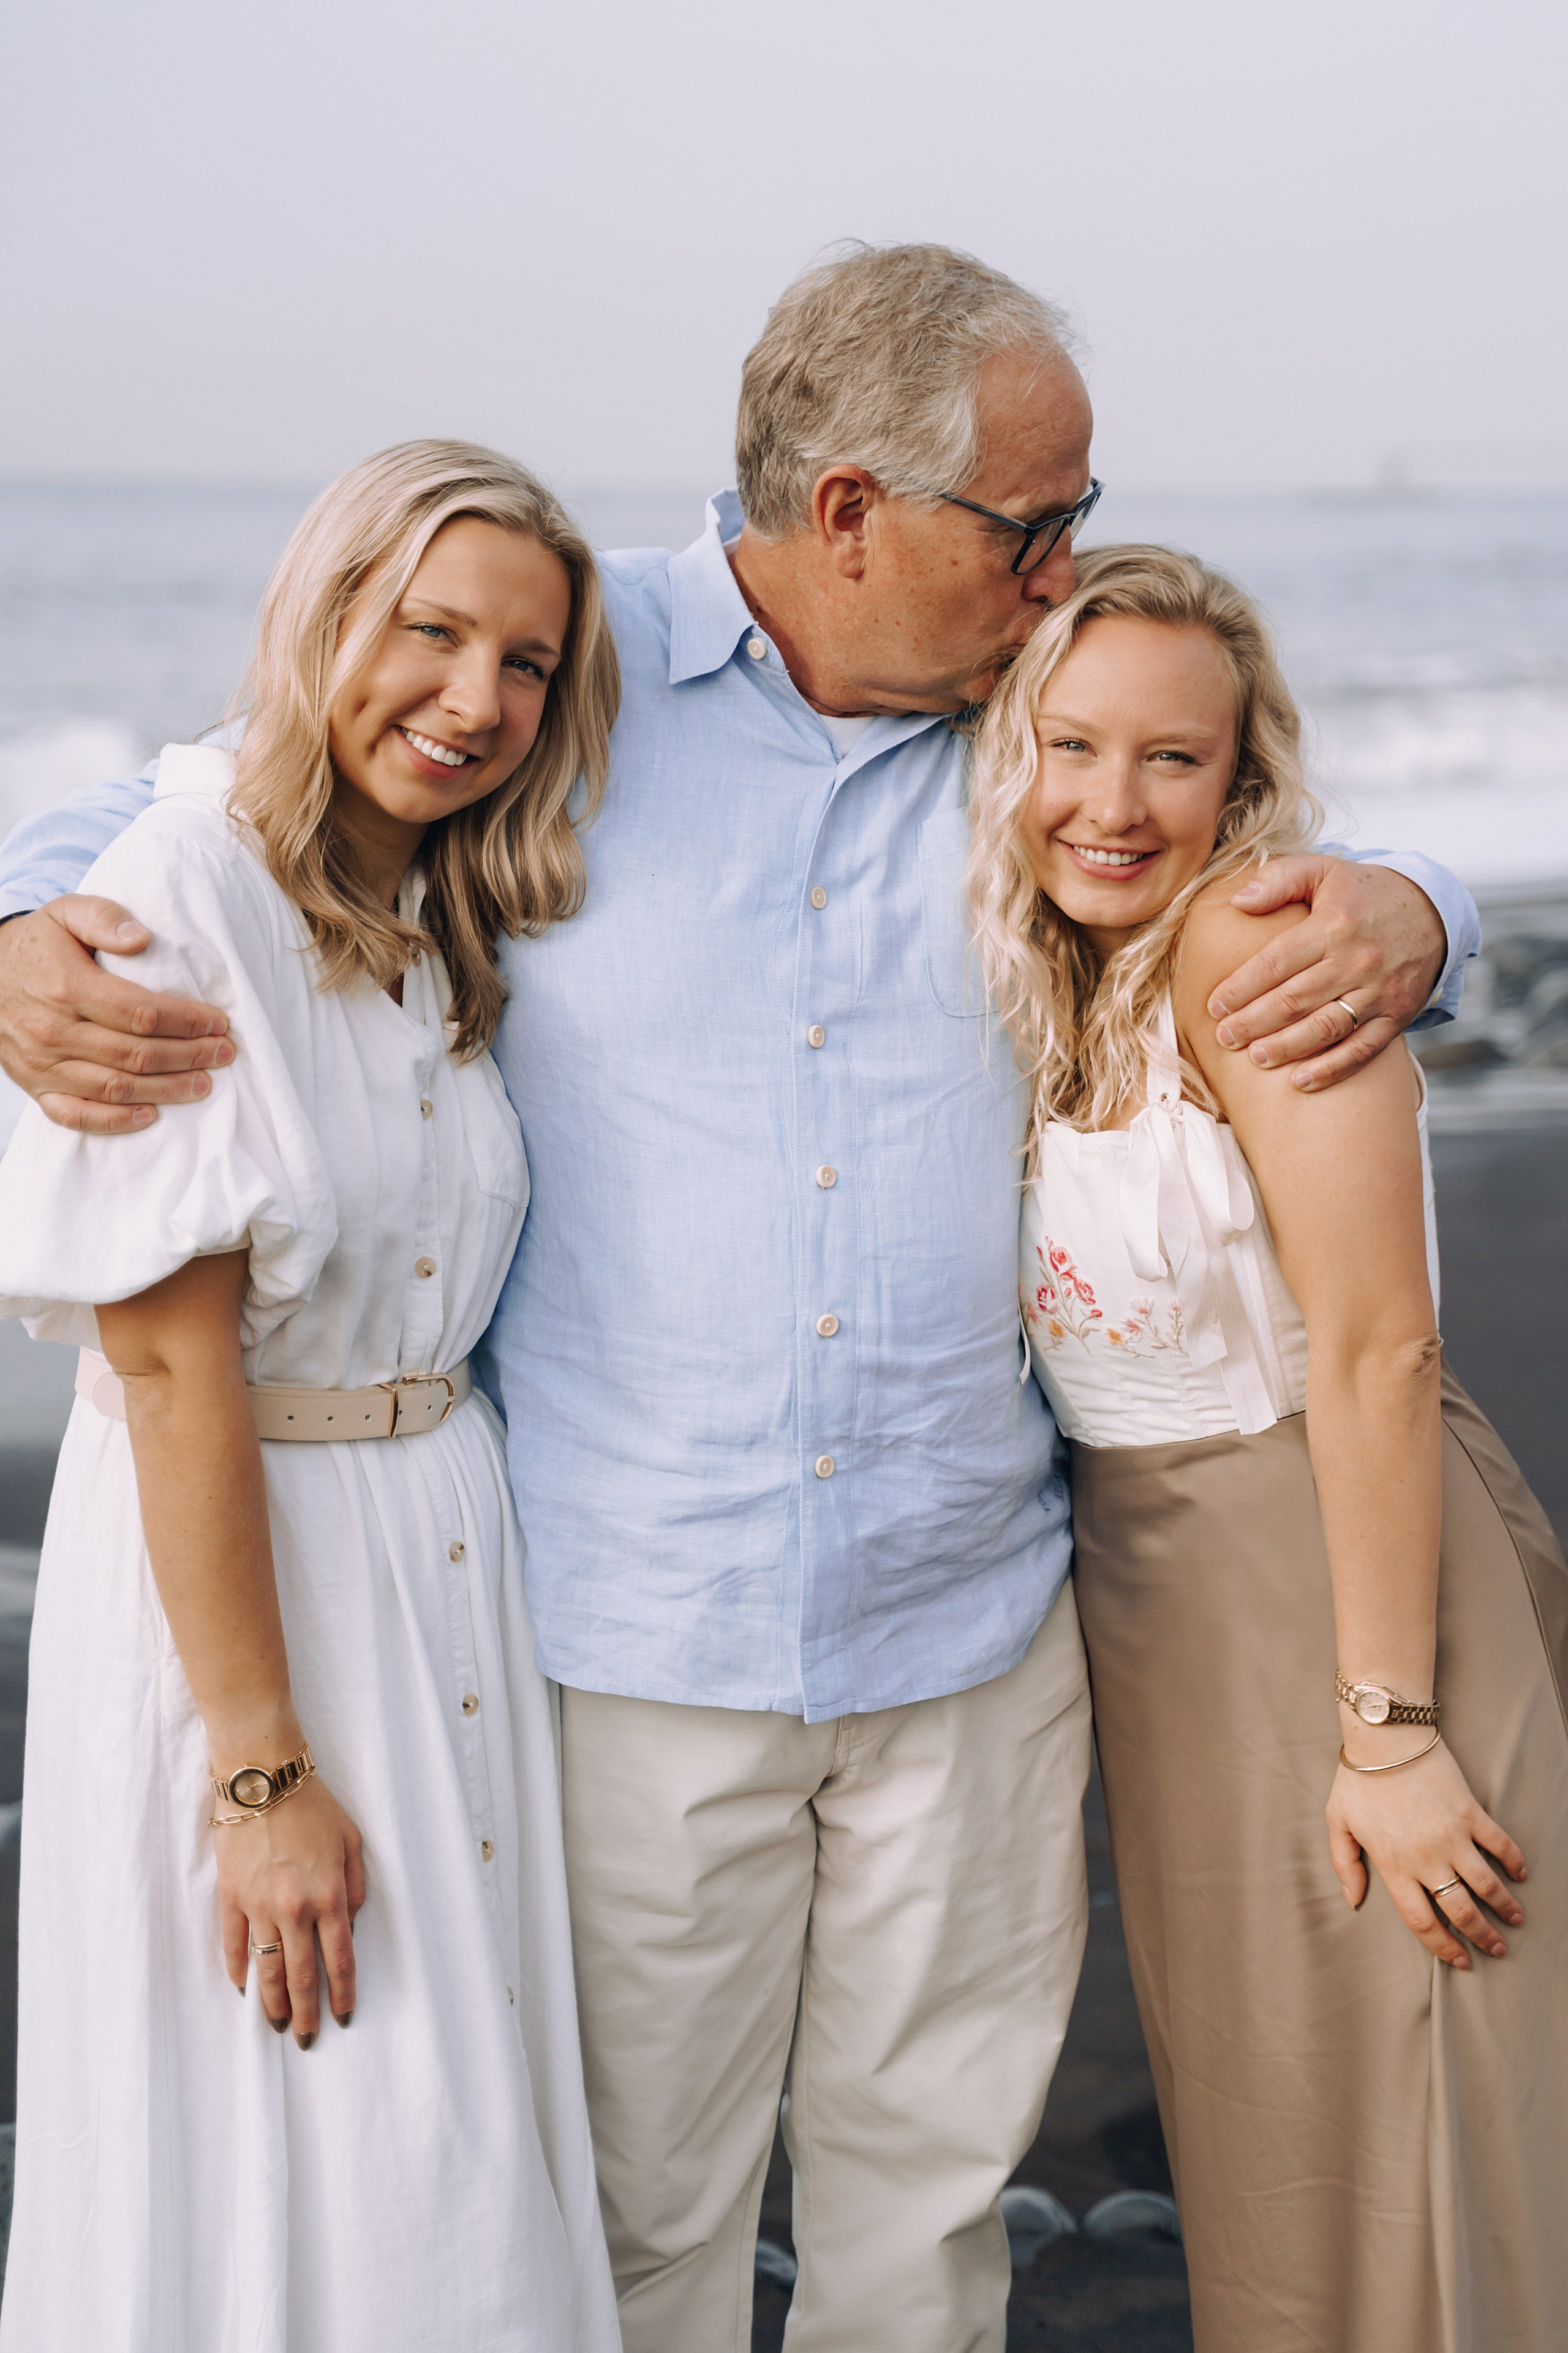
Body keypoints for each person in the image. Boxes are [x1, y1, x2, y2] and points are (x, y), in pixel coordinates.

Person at [0, 246, 1482, 2353]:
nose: (1065, 570)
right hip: (627, 1642)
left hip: (972, 1634)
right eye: (1027, 524)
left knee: (928, 2242)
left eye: (1077, 520)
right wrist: (12, 923)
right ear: (856, 510)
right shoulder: (553, 672)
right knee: (640, 2239)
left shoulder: (1033, 720)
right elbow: (246, 789)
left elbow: (1221, 781)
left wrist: (1431, 914)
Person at [0, 442, 623, 2352]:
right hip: (253, 1592)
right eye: (427, 632)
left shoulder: (441, 898)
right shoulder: (178, 892)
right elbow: (174, 1360)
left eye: (526, 664)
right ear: (320, 614)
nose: (475, 702)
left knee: (434, 2148)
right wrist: (258, 1773)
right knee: (306, 2122)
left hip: (440, 1564)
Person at [968, 542, 1568, 2353]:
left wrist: (1387, 1730)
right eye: (1071, 747)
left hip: (1351, 1581)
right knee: (1278, 2135)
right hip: (1167, 1616)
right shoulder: (1055, 975)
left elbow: (1382, 1351)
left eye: (1175, 757)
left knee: (1427, 2120)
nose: (1113, 803)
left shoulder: (1257, 942)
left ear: (1245, 775)